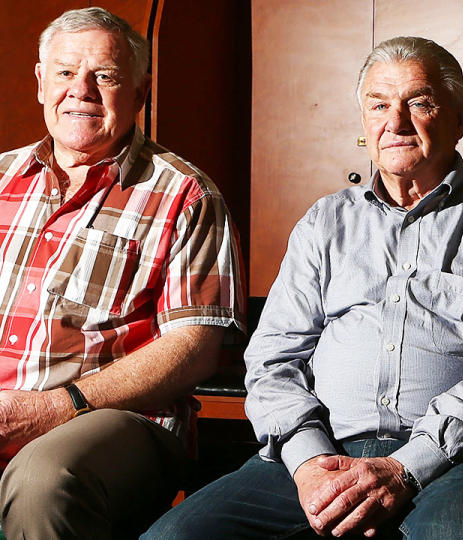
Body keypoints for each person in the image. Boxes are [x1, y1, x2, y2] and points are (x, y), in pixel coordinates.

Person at [143, 36, 463, 539]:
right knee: (173, 537)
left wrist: (407, 466)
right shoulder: (326, 221)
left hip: (454, 458)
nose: (396, 122)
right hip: (321, 451)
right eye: (379, 105)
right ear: (364, 120)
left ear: (460, 118)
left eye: (420, 103)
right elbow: (272, 358)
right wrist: (310, 461)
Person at [0, 7, 246, 538]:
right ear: (42, 83)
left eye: (104, 76)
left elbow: (196, 347)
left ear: (139, 93)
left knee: (45, 478)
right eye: (65, 73)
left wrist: (56, 407)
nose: (81, 90)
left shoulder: (185, 194)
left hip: (110, 419)